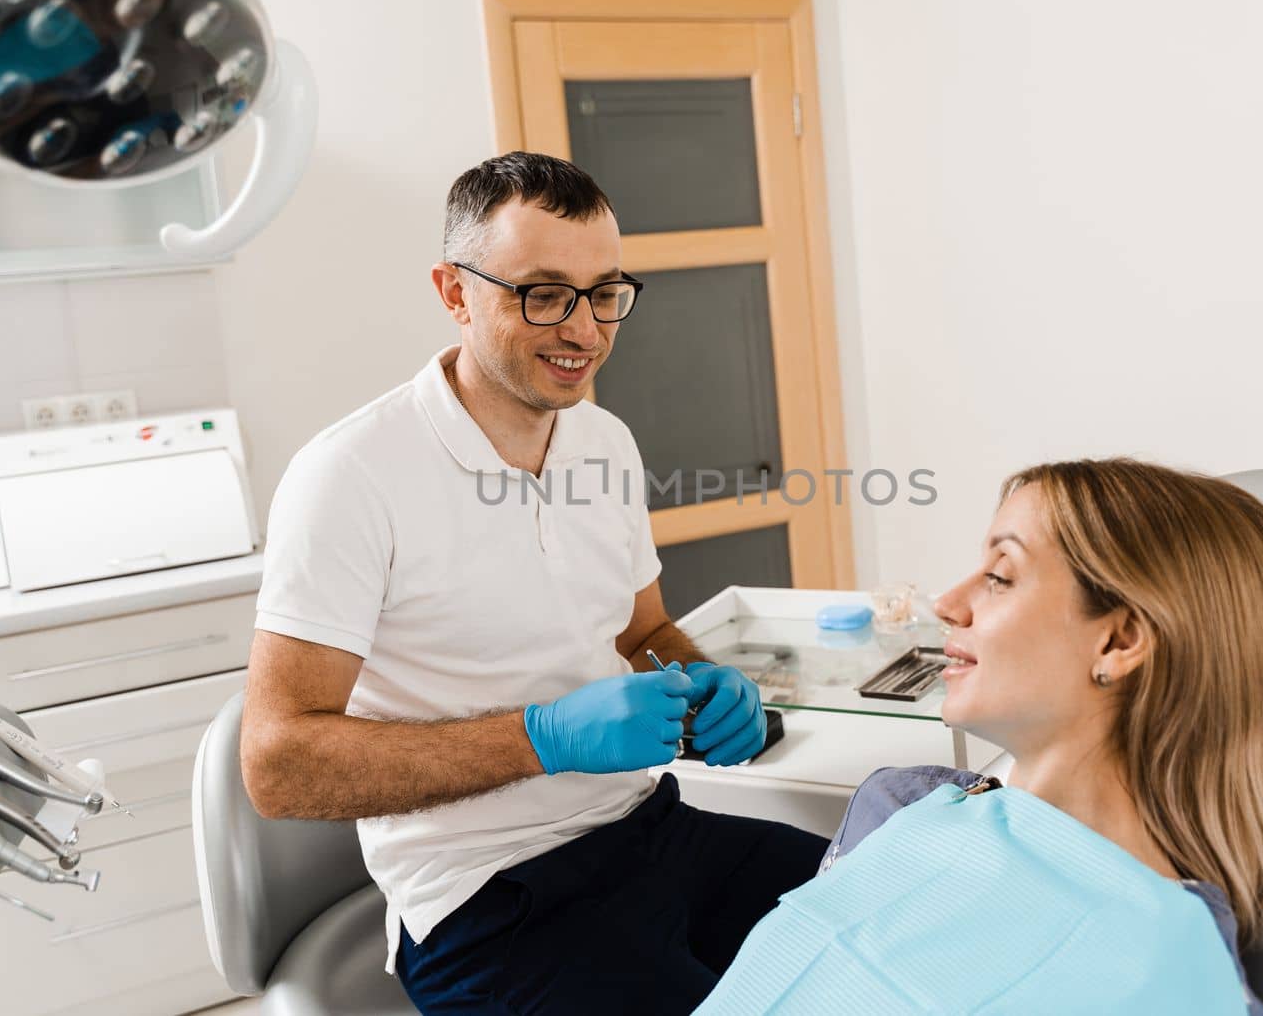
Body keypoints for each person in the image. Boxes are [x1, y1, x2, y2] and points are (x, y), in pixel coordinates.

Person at [240, 151, 828, 1014]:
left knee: (883, 912)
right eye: (543, 293)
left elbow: (641, 633)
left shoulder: (603, 440)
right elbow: (277, 766)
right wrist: (542, 737)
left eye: (604, 293)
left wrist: (702, 678)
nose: (584, 330)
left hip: (649, 831)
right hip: (486, 900)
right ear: (454, 291)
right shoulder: (352, 476)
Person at [699, 459, 1263, 1014]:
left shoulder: (1165, 958)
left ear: (1119, 641)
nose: (948, 603)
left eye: (1001, 575)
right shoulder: (912, 808)